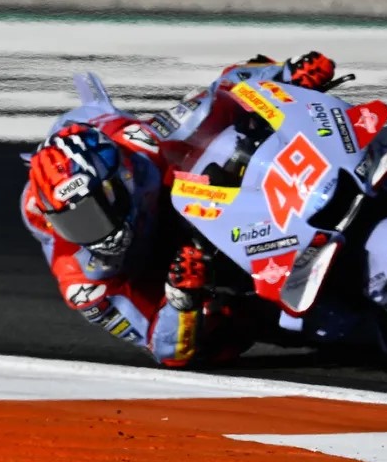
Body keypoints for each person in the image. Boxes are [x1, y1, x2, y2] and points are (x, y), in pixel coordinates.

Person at [20, 53, 341, 367]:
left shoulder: (134, 143)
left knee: (234, 136)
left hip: (185, 203)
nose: (94, 233)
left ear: (119, 181)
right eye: (75, 223)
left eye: (92, 214)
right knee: (221, 330)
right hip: (166, 271)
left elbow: (213, 96)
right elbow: (162, 349)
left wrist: (284, 75)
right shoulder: (83, 282)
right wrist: (181, 300)